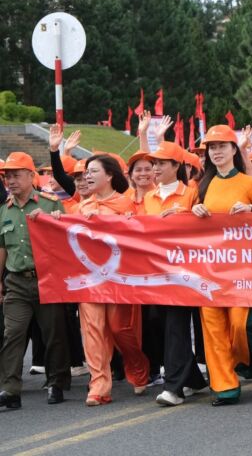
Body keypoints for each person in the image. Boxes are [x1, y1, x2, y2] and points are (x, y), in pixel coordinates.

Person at [191, 125, 252, 406]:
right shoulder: (202, 185)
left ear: (233, 150)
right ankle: (225, 386)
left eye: (221, 146)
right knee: (213, 327)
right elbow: (187, 221)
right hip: (210, 268)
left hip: (243, 267)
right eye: (211, 148)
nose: (216, 152)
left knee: (241, 324)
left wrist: (251, 211)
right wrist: (193, 210)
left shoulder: (250, 183)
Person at [77, 154, 151, 406]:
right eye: (86, 172)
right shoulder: (83, 206)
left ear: (109, 175)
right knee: (93, 330)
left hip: (120, 278)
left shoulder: (127, 203)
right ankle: (99, 386)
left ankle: (138, 367)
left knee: (120, 328)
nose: (87, 176)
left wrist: (128, 223)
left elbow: (142, 234)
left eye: (93, 171)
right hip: (90, 279)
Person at [0, 153, 71, 409]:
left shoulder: (50, 204)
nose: (10, 181)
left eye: (16, 175)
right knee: (13, 334)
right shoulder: (4, 210)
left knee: (53, 334)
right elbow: (3, 248)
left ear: (32, 176)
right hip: (17, 282)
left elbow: (67, 240)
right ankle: (10, 389)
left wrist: (52, 220)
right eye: (7, 176)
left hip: (47, 279)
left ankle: (56, 382)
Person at [142, 142, 208, 407]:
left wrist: (186, 214)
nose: (155, 168)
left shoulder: (192, 193)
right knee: (159, 323)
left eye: (161, 163)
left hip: (184, 273)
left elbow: (205, 226)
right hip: (156, 272)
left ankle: (174, 387)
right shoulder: (149, 197)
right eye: (154, 163)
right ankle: (192, 378)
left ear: (176, 166)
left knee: (176, 327)